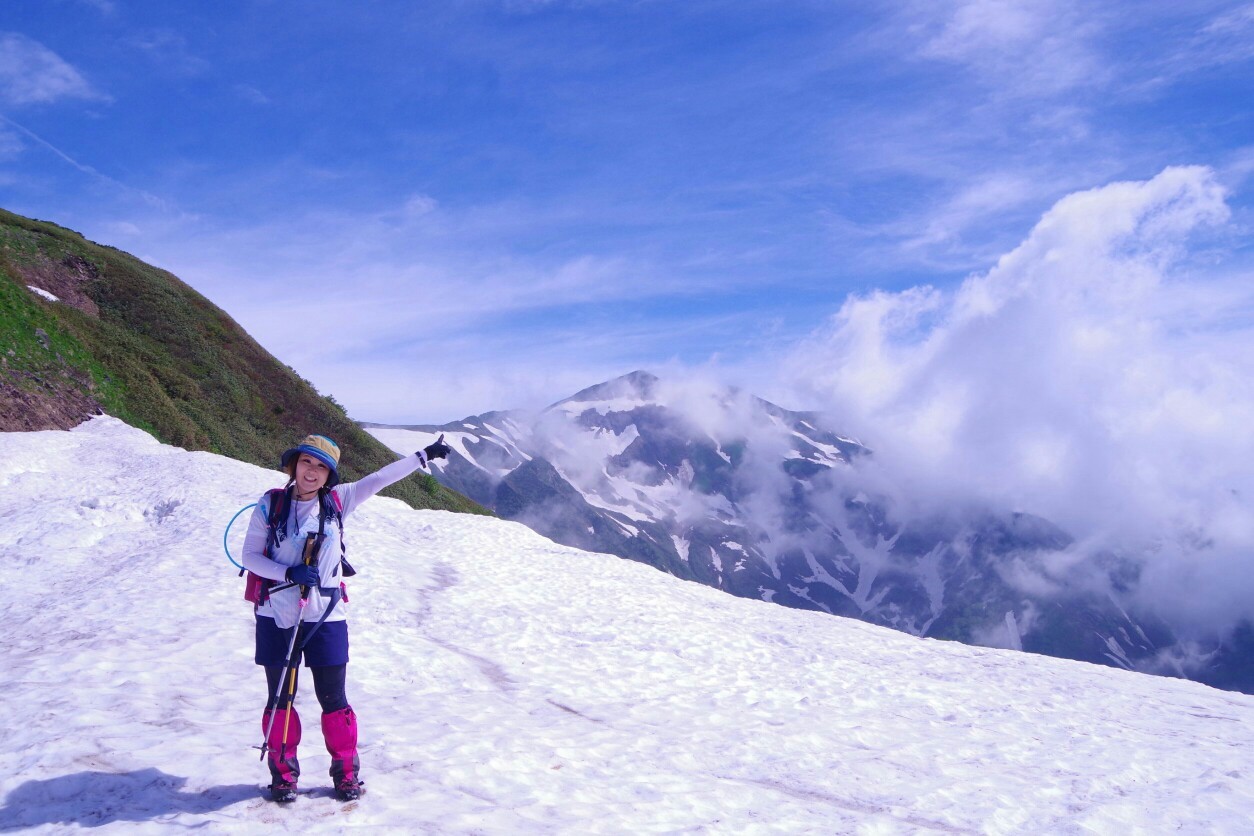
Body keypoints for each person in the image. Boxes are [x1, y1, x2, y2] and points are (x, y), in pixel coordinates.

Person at [242, 433, 451, 803]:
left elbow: (380, 478)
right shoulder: (270, 505)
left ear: (329, 475)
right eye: (307, 462)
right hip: (275, 612)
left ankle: (346, 774)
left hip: (326, 615)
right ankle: (283, 776)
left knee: (334, 698)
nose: (312, 471)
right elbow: (249, 557)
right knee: (280, 698)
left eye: (321, 467)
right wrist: (287, 573)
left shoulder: (339, 501)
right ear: (294, 464)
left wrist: (423, 456)